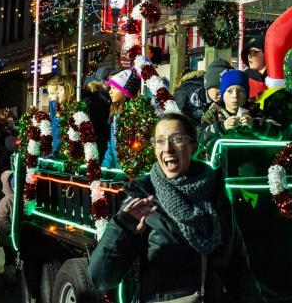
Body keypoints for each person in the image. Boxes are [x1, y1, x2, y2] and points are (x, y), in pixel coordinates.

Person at [88, 113, 266, 301]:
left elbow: (238, 269)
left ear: (193, 147)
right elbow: (100, 278)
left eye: (177, 139)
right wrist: (123, 227)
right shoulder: (143, 197)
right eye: (160, 141)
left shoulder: (216, 196)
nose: (168, 148)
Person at [199, 70, 274, 147]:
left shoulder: (257, 113)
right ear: (222, 95)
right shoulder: (212, 115)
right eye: (229, 91)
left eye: (240, 91)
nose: (235, 95)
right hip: (221, 158)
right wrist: (222, 127)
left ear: (246, 94)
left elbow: (277, 135)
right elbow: (199, 140)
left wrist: (254, 124)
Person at [102, 68, 142, 169]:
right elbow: (111, 146)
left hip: (130, 172)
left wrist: (127, 171)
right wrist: (104, 169)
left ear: (125, 91)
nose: (110, 92)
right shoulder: (115, 113)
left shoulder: (134, 115)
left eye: (114, 88)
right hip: (117, 169)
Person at [0, 169, 17, 284]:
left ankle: (13, 272)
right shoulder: (6, 201)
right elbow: (1, 216)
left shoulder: (17, 199)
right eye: (12, 182)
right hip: (8, 237)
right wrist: (8, 230)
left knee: (15, 256)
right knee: (10, 256)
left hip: (15, 235)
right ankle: (9, 275)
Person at [241, 35, 268, 102]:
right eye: (248, 52)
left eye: (255, 52)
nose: (249, 56)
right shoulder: (243, 77)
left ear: (266, 52)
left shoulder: (276, 75)